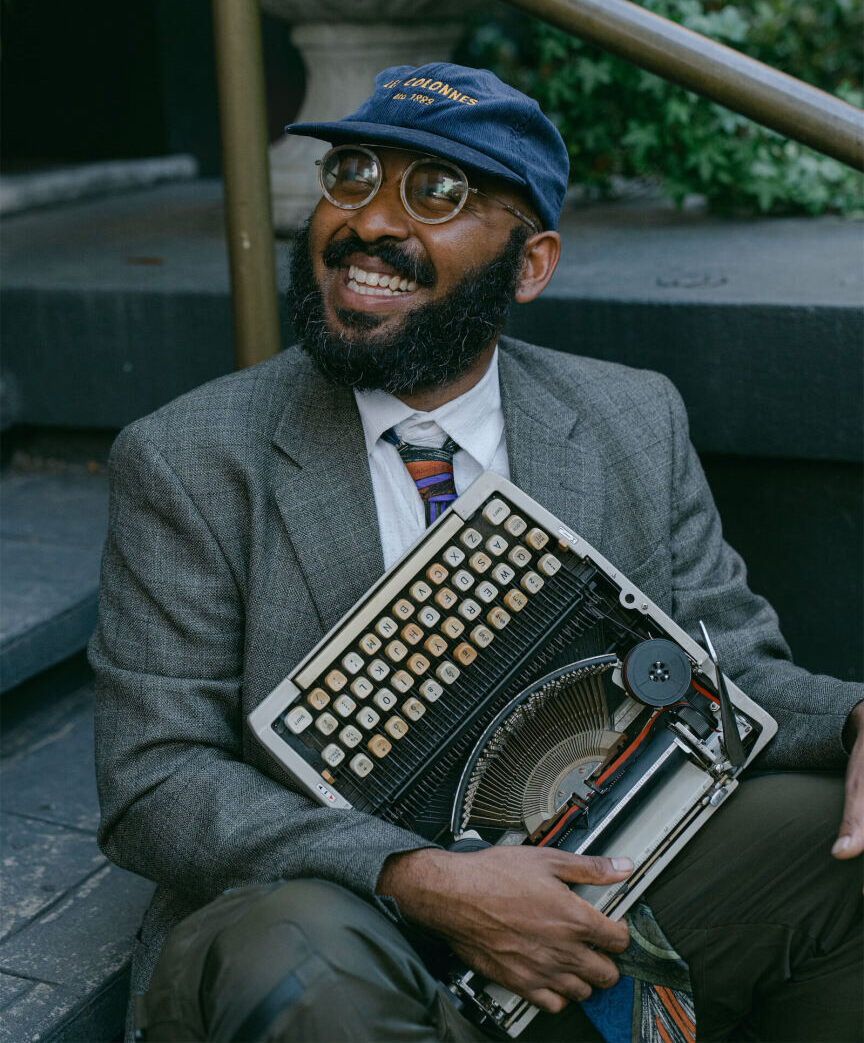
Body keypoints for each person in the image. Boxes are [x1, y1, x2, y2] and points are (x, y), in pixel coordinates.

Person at [89, 63, 863, 1043]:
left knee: (847, 832)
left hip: (600, 878)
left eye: (438, 192)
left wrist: (854, 716)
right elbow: (155, 779)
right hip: (340, 913)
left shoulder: (631, 417)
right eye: (353, 175)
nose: (370, 221)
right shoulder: (189, 457)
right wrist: (420, 876)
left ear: (529, 263)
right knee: (294, 956)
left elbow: (733, 668)